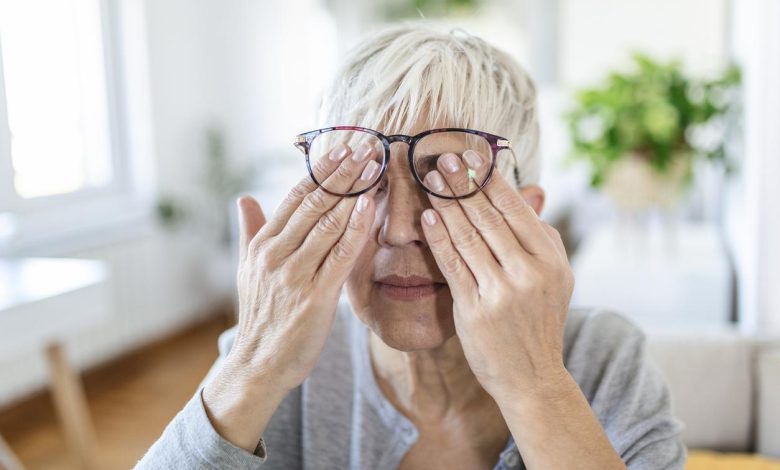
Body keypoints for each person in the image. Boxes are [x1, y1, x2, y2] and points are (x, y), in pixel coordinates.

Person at [135, 22, 687, 470]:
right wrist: (255, 364)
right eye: (364, 177)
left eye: (449, 178)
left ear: (530, 215)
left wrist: (534, 383)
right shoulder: (275, 360)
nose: (399, 228)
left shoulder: (606, 360)